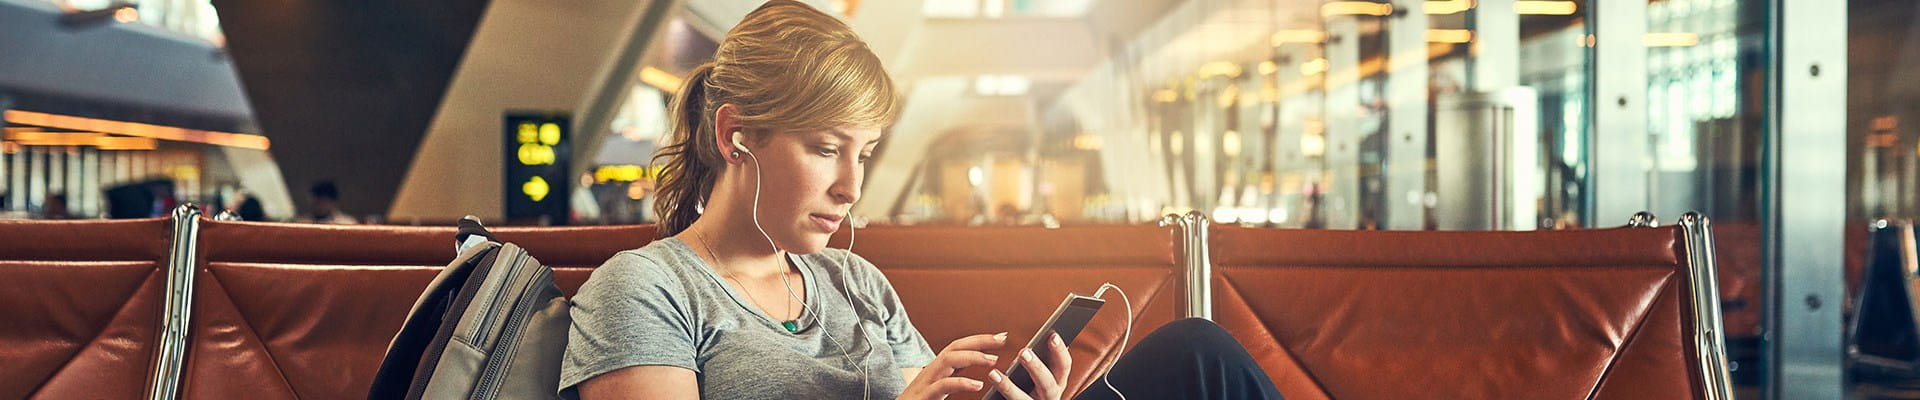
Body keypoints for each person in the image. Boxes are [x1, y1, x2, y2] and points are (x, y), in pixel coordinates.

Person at [561, 2, 1281, 400]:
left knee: (1199, 354)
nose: (852, 185)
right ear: (735, 135)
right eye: (824, 148)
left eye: (864, 153)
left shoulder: (855, 282)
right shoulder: (647, 287)